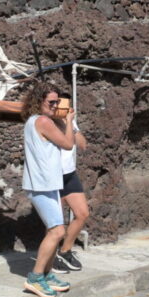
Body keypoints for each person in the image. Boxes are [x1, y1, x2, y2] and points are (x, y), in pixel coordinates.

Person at [19, 82, 75, 297]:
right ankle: (35, 277)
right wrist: (68, 121)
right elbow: (69, 144)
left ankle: (47, 274)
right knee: (57, 231)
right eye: (51, 102)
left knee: (51, 230)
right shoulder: (42, 121)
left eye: (57, 102)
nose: (54, 105)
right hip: (41, 185)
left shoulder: (35, 121)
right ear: (39, 101)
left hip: (47, 184)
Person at [52, 101, 89, 274]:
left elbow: (82, 145)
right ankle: (50, 259)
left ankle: (64, 252)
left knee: (82, 214)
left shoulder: (69, 122)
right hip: (53, 176)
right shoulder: (46, 122)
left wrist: (71, 124)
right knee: (55, 223)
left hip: (69, 174)